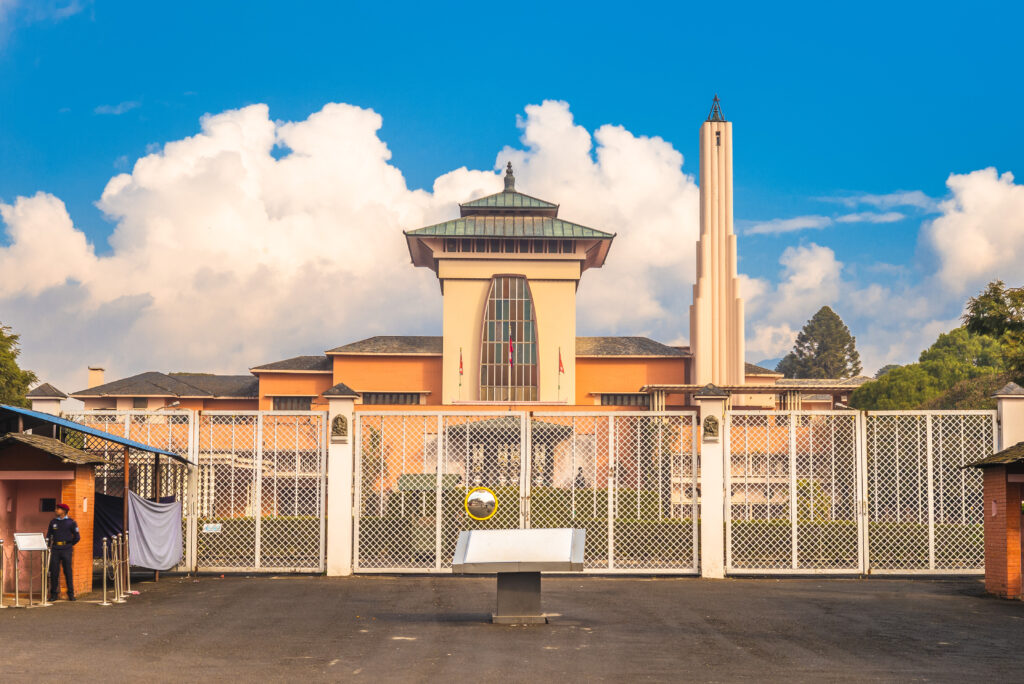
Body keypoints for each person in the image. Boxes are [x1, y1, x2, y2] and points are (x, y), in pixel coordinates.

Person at [46, 503, 80, 601]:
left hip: (66, 549)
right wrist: (48, 546)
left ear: (64, 511)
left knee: (67, 571)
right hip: (55, 548)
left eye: (58, 509)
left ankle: (71, 593)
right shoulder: (53, 522)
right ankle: (54, 594)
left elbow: (77, 537)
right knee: (54, 572)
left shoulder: (71, 522)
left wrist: (69, 545)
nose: (56, 510)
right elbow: (49, 535)